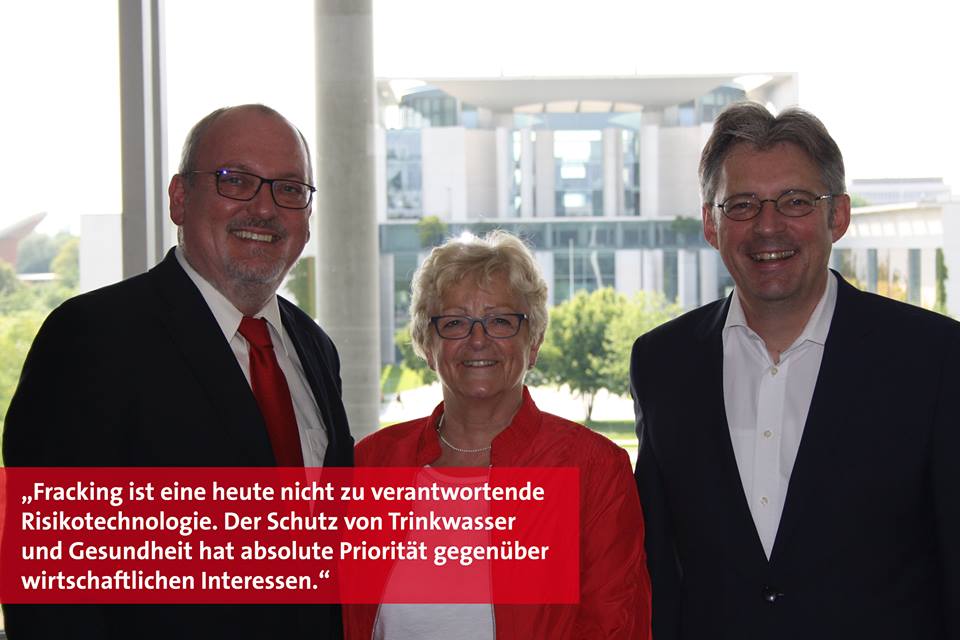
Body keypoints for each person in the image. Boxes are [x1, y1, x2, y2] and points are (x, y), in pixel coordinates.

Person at [2, 104, 353, 639]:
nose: (264, 208)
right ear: (180, 199)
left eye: (289, 188)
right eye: (236, 180)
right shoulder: (92, 338)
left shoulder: (315, 348)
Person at [631, 101, 960, 639]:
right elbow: (661, 567)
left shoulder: (935, 358)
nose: (768, 226)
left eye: (795, 201)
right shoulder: (662, 363)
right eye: (742, 204)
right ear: (711, 224)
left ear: (838, 216)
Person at [345, 230, 651, 639]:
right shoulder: (370, 464)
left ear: (534, 342)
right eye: (455, 322)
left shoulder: (593, 470)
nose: (478, 339)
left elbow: (616, 627)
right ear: (427, 344)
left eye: (501, 321)